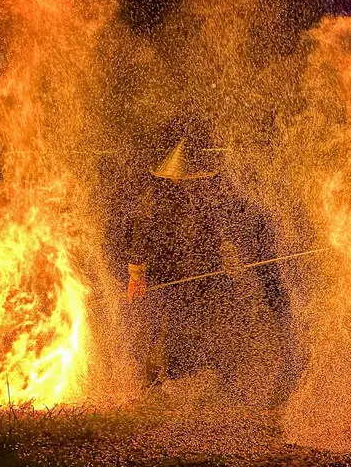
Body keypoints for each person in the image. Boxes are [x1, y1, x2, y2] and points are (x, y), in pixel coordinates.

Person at [122, 122, 296, 407]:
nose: (190, 182)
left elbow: (218, 232)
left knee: (218, 323)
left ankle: (221, 382)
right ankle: (154, 384)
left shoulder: (205, 196)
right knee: (165, 330)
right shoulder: (154, 201)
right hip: (169, 276)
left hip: (204, 273)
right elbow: (141, 237)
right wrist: (136, 275)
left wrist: (229, 260)